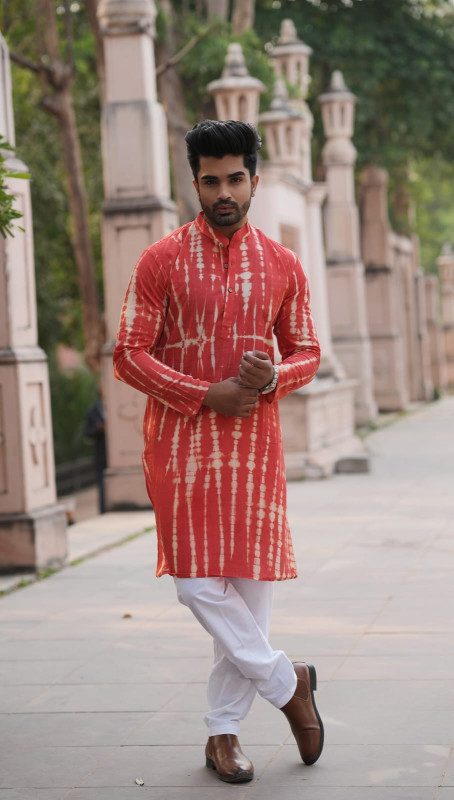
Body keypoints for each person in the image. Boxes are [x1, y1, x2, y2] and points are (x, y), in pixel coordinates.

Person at [113, 119, 323, 784]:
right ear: (195, 183)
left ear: (255, 180)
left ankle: (222, 736)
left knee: (251, 600)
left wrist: (272, 380)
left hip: (256, 451)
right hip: (181, 447)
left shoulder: (284, 265)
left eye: (235, 178)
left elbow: (308, 351)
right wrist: (207, 394)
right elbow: (127, 354)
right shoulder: (161, 260)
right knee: (198, 585)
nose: (224, 191)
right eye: (211, 180)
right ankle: (290, 685)